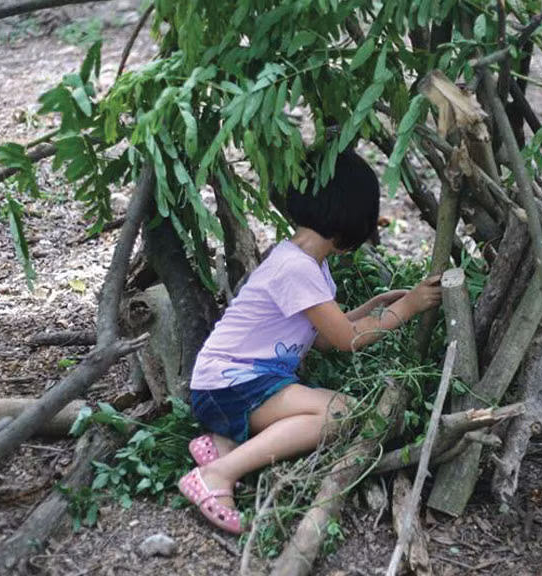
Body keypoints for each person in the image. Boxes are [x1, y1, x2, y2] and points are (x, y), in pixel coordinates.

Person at [178, 149, 442, 534]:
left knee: (325, 405)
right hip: (232, 384)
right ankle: (218, 473)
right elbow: (348, 340)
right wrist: (410, 307)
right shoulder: (297, 269)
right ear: (350, 222)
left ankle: (222, 441)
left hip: (231, 384)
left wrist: (370, 308)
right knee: (341, 412)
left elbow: (319, 338)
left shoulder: (303, 261)